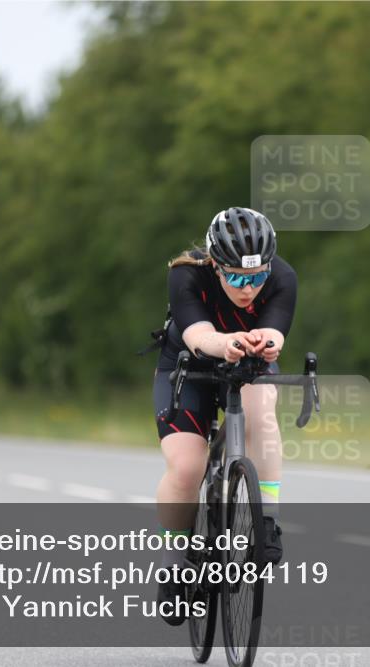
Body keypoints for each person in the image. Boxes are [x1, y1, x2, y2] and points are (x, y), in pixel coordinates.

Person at [152, 207, 297, 625]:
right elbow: (198, 335)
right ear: (215, 264)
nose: (247, 288)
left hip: (247, 358)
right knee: (187, 467)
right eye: (235, 277)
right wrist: (225, 342)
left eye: (256, 277)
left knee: (262, 413)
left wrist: (265, 343)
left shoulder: (283, 277)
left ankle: (266, 521)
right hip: (187, 365)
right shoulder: (186, 273)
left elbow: (275, 329)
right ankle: (175, 557)